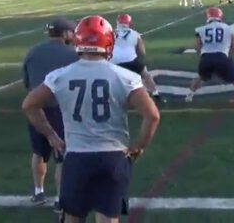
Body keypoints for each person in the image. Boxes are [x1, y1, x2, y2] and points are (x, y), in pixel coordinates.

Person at [22, 15, 161, 223]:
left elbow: (29, 105)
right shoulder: (125, 77)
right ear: (108, 42)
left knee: (73, 218)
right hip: (113, 157)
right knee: (107, 219)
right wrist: (138, 147)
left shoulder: (60, 76)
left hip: (77, 156)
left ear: (78, 41)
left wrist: (51, 135)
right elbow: (152, 116)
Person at [22, 18, 79, 209]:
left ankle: (38, 192)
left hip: (35, 108)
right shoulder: (73, 54)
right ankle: (60, 198)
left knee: (39, 152)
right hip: (60, 109)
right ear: (65, 34)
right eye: (71, 32)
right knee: (62, 155)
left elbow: (27, 83)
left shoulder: (33, 51)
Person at [184, 7, 234, 112]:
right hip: (221, 57)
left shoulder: (201, 29)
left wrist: (204, 54)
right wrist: (227, 54)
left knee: (199, 78)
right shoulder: (228, 28)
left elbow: (197, 47)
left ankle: (188, 97)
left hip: (206, 58)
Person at [110, 14, 164, 105]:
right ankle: (155, 94)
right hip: (131, 61)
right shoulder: (135, 34)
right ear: (129, 23)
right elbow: (142, 52)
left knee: (110, 79)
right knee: (146, 75)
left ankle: (111, 97)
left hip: (115, 63)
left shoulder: (110, 33)